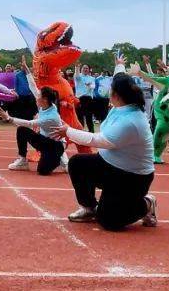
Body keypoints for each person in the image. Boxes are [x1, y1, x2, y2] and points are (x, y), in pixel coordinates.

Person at [64, 73, 158, 230]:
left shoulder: (131, 121)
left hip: (132, 178)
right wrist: (119, 65)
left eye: (111, 89)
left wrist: (68, 131)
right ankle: (89, 208)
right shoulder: (120, 107)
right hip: (109, 165)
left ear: (116, 94)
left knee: (109, 221)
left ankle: (147, 203)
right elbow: (119, 76)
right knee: (78, 163)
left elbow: (99, 141)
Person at [0, 83, 67, 175]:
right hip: (44, 141)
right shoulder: (46, 105)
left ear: (45, 99)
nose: (36, 96)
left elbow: (30, 123)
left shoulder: (52, 116)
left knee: (43, 171)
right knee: (22, 130)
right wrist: (27, 71)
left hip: (55, 146)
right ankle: (22, 161)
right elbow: (33, 88)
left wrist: (9, 118)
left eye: (39, 95)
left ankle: (60, 160)